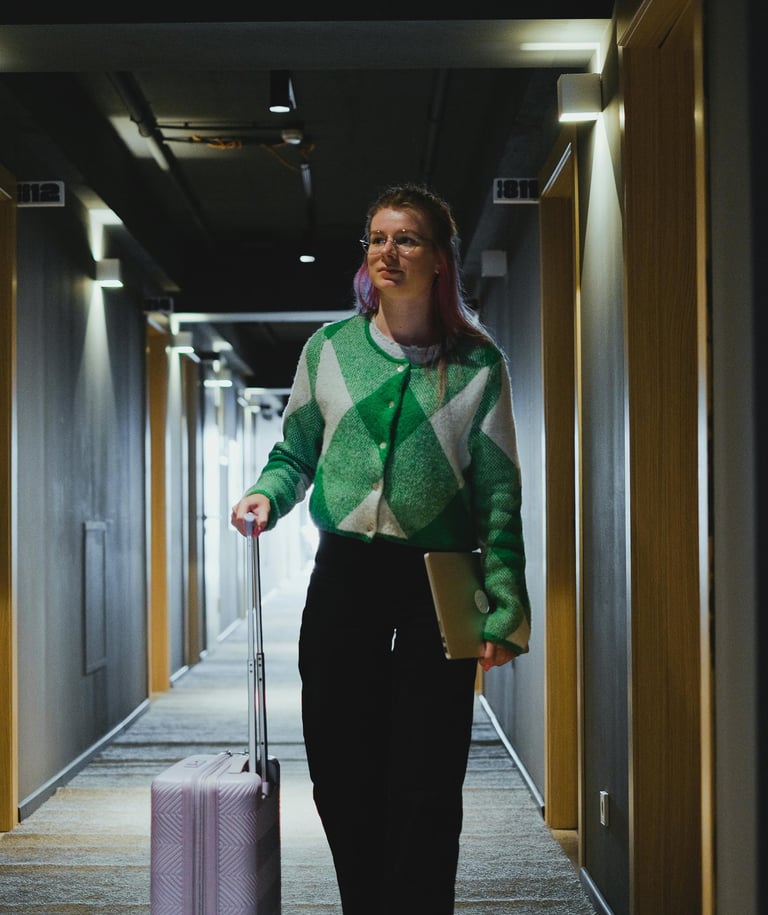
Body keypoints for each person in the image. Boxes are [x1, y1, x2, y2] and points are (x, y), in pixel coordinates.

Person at [231, 183, 531, 915]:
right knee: (341, 770)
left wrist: (505, 606)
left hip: (437, 586)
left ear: (439, 260)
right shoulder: (329, 349)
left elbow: (497, 497)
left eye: (406, 238)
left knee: (426, 780)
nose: (387, 251)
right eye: (376, 237)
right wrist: (268, 493)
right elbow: (296, 449)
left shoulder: (477, 366)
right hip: (343, 579)